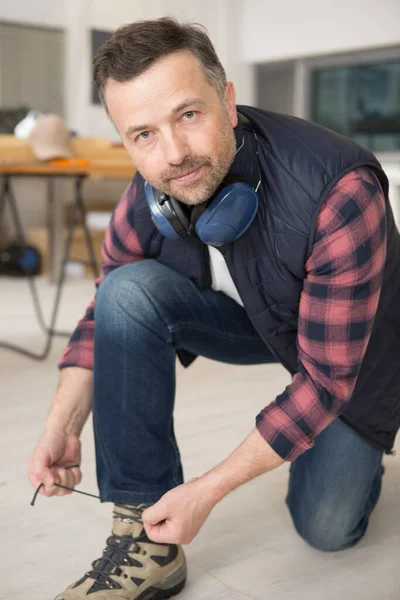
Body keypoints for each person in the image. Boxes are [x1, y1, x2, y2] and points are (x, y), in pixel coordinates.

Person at [28, 16, 400, 600]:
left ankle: (360, 458)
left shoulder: (339, 190)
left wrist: (206, 491)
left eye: (188, 115)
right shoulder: (149, 188)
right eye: (142, 134)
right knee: (125, 292)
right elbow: (105, 313)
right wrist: (63, 425)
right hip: (253, 319)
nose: (173, 153)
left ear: (227, 102)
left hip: (348, 347)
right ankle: (145, 544)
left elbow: (326, 379)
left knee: (328, 528)